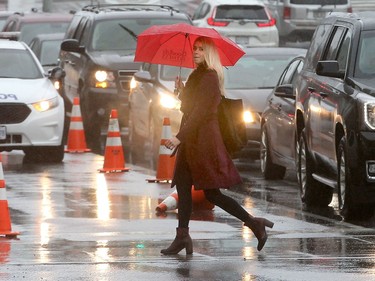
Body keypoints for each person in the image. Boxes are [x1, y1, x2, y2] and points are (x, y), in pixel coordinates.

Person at [161, 36, 274, 255]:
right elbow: (190, 108)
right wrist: (182, 91)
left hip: (202, 143)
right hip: (192, 141)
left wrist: (179, 137)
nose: (196, 52)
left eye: (201, 49)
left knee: (213, 194)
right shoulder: (197, 76)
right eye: (194, 48)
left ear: (209, 53)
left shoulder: (210, 77)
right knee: (183, 188)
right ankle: (182, 236)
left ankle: (253, 223)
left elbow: (202, 113)